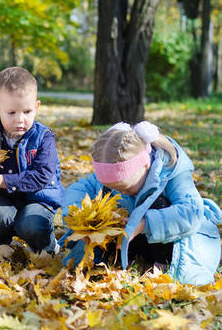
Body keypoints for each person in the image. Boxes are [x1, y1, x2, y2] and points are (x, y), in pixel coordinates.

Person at [61, 121, 221, 285]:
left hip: (174, 241)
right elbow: (78, 190)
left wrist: (144, 224)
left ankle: (162, 267)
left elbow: (191, 213)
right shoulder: (113, 175)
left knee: (158, 203)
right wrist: (80, 220)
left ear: (145, 166)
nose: (121, 192)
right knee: (107, 207)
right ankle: (125, 260)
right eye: (114, 187)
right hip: (133, 240)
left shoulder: (171, 171)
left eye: (125, 188)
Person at [0, 67, 64, 254]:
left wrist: (2, 181)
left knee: (31, 223)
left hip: (39, 199)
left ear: (37, 107)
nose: (20, 119)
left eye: (28, 111)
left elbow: (42, 175)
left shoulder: (43, 137)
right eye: (12, 113)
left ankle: (47, 246)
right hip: (1, 199)